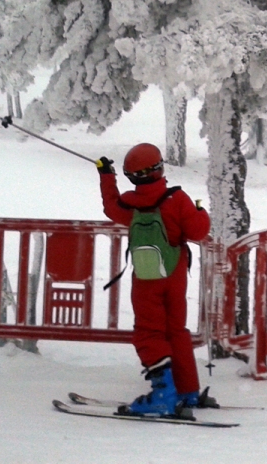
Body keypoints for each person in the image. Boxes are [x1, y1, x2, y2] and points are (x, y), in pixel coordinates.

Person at [97, 144, 212, 417]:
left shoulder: (130, 202)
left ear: (132, 177)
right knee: (176, 330)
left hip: (146, 277)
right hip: (174, 275)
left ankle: (163, 394)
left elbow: (111, 208)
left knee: (149, 331)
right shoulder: (178, 199)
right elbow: (198, 230)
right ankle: (187, 391)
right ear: (160, 168)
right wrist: (199, 207)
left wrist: (106, 176)